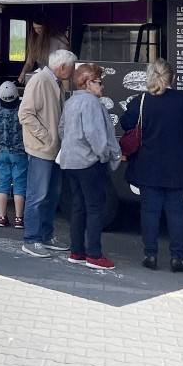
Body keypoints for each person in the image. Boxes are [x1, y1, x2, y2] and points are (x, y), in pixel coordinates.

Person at [120, 58, 183, 272]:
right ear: (172, 78)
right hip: (177, 168)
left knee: (149, 211)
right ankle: (177, 258)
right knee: (176, 212)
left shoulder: (140, 101)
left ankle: (150, 255)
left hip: (148, 168)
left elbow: (125, 123)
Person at [57, 64, 122, 270]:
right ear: (88, 82)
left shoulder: (71, 102)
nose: (102, 87)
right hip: (89, 162)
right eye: (99, 82)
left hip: (71, 162)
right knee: (95, 208)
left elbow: (61, 129)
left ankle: (76, 251)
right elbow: (96, 135)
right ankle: (94, 254)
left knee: (78, 207)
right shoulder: (92, 103)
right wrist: (104, 155)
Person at [18, 48, 77, 258]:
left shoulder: (54, 82)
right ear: (62, 67)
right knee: (38, 195)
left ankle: (45, 235)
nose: (72, 72)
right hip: (42, 149)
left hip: (53, 149)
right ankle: (32, 238)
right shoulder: (40, 80)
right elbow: (25, 113)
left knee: (52, 196)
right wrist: (47, 137)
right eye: (70, 68)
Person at [0, 81, 27, 228]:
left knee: (3, 185)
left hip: (2, 152)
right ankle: (19, 218)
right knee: (19, 185)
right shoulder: (20, 111)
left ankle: (2, 216)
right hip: (19, 152)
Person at [17, 13, 69, 85]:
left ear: (47, 27)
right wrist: (23, 74)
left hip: (56, 79)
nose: (37, 31)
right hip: (41, 78)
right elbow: (29, 63)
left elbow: (65, 64)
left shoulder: (60, 40)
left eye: (40, 28)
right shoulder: (34, 40)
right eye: (35, 28)